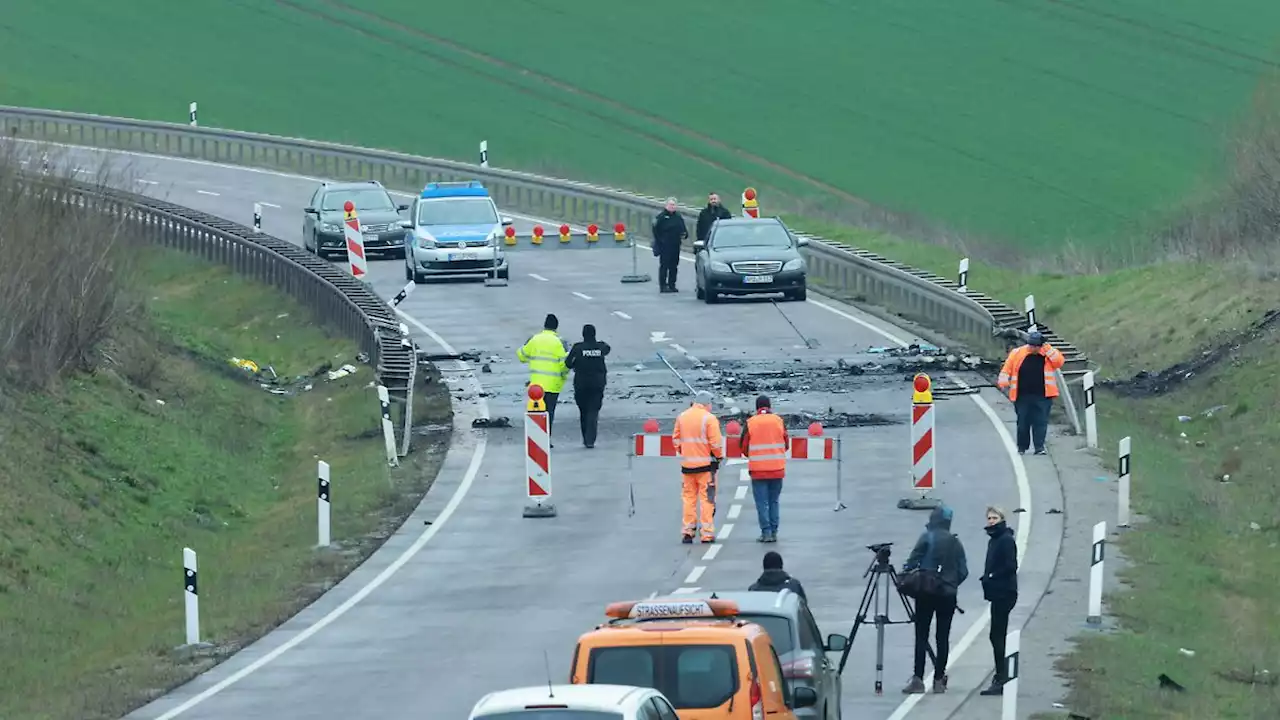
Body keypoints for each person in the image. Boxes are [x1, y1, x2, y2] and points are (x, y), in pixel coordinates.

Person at [901, 504, 969, 695]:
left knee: (921, 635)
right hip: (947, 595)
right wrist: (951, 583)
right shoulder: (955, 543)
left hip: (926, 592)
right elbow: (963, 570)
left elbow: (912, 562)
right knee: (943, 637)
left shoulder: (926, 537)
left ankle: (918, 679)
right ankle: (939, 680)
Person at [997, 330, 1066, 455]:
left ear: (1041, 345)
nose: (1032, 348)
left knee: (1041, 422)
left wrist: (1048, 349)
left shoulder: (1048, 354)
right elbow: (1006, 369)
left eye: (1035, 346)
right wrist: (1003, 383)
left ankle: (1039, 447)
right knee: (1023, 422)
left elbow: (1059, 362)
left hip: (1043, 396)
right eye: (1030, 345)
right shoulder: (1017, 353)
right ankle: (1022, 447)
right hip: (1022, 395)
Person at [672, 390, 723, 543]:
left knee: (688, 499)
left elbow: (676, 440)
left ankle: (688, 531)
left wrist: (685, 452)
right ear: (707, 403)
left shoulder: (682, 417)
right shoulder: (709, 419)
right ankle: (706, 533)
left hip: (687, 467)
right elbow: (715, 443)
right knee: (707, 499)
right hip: (706, 467)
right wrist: (719, 456)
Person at [979, 505, 1019, 696]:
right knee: (996, 635)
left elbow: (1011, 566)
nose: (991, 521)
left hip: (1005, 593)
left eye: (995, 518)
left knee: (997, 635)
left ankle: (1001, 677)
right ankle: (1000, 675)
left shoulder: (1005, 540)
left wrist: (992, 576)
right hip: (998, 593)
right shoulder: (994, 540)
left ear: (1002, 519)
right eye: (989, 518)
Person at [740, 394, 788, 543]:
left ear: (757, 408)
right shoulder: (778, 421)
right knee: (774, 501)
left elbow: (743, 446)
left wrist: (753, 455)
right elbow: (786, 444)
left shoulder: (751, 422)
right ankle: (774, 532)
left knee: (762, 503)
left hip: (758, 471)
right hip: (777, 469)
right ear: (769, 406)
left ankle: (766, 532)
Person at [517, 313, 569, 444]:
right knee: (549, 412)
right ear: (556, 327)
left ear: (544, 326)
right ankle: (545, 439)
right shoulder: (560, 342)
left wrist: (526, 344)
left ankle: (536, 439)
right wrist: (563, 377)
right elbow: (565, 364)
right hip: (553, 384)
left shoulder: (534, 339)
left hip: (536, 386)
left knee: (536, 411)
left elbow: (521, 356)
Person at [565, 323, 610, 448]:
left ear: (583, 334)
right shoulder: (601, 347)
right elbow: (607, 349)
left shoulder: (578, 348)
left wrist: (576, 365)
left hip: (581, 384)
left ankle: (586, 438)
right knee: (593, 411)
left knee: (583, 411)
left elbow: (568, 363)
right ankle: (590, 439)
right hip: (597, 384)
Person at [652, 197, 689, 293]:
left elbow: (683, 229)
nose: (672, 207)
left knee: (674, 266)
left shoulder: (678, 217)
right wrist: (660, 241)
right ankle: (663, 285)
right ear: (666, 205)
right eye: (670, 205)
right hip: (664, 246)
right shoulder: (661, 217)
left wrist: (684, 234)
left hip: (676, 245)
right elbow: (656, 230)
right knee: (664, 265)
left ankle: (672, 284)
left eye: (674, 205)